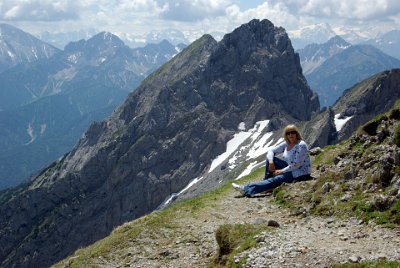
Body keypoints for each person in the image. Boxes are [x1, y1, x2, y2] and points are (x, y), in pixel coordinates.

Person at [232, 124, 311, 197]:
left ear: (296, 133)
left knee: (277, 178)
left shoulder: (301, 145)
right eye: (288, 133)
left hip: (300, 172)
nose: (290, 135)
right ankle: (267, 184)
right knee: (270, 158)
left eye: (293, 132)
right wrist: (271, 162)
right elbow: (271, 151)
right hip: (290, 168)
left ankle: (246, 189)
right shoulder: (287, 144)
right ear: (286, 135)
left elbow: (297, 164)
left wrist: (282, 171)